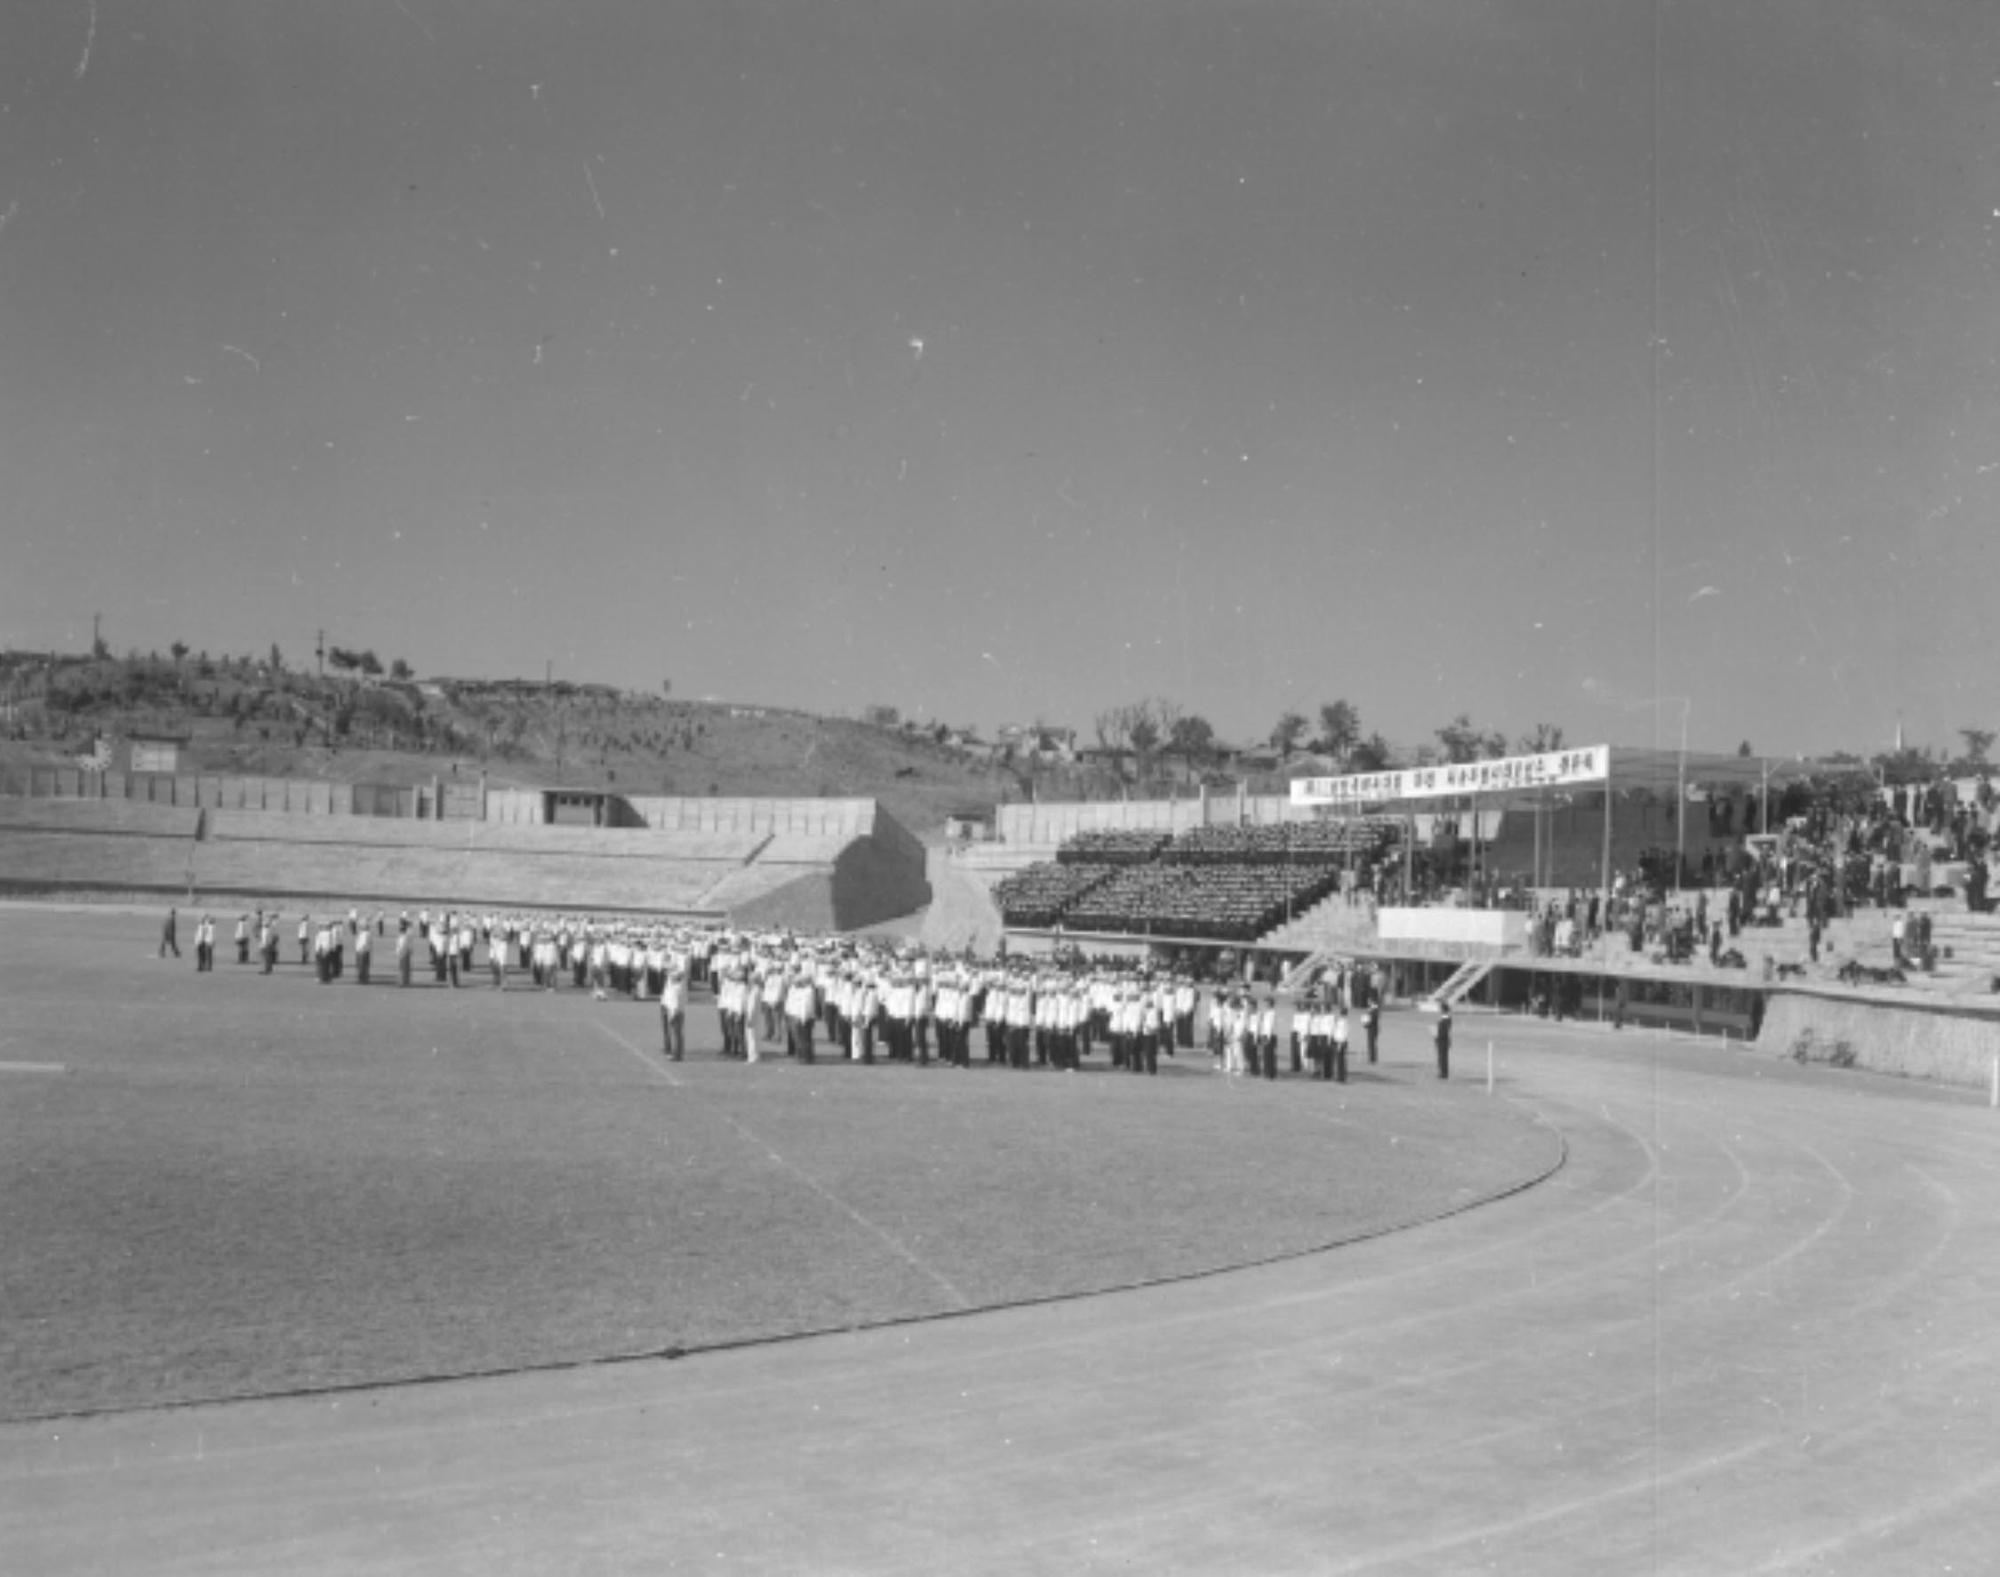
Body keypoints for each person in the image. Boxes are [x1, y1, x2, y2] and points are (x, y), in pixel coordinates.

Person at [1434, 999, 1452, 1080]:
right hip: (1441, 1039)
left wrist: (1437, 1035)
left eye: (1440, 1009)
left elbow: (1444, 1030)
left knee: (1443, 1057)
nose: (1439, 1010)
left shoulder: (1446, 1018)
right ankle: (1442, 1071)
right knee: (1441, 1057)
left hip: (1443, 1039)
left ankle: (1444, 1073)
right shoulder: (1443, 1018)